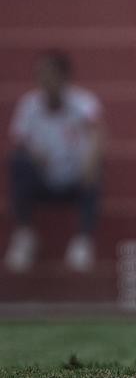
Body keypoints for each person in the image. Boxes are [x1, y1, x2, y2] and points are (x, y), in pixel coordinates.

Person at [5, 51, 104, 274]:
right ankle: (25, 234)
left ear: (64, 77)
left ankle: (83, 241)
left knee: (97, 168)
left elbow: (98, 132)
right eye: (40, 75)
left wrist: (90, 161)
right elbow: (20, 141)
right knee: (17, 163)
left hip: (76, 177)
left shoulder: (82, 103)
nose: (44, 81)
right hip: (44, 176)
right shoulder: (29, 105)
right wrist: (34, 154)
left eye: (49, 75)